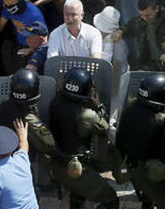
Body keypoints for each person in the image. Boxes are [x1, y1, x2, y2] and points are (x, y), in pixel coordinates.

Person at [49, 68, 120, 209]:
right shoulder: (88, 115)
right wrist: (98, 105)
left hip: (58, 163)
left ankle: (77, 198)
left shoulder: (56, 101)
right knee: (111, 199)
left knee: (81, 186)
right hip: (76, 167)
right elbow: (105, 128)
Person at [116, 74, 165, 208]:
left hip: (131, 167)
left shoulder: (130, 109)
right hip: (149, 172)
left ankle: (146, 200)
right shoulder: (159, 121)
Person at [112, 0, 165, 71]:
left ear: (156, 9)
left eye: (148, 15)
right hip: (150, 64)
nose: (145, 18)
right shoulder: (141, 21)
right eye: (142, 15)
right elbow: (131, 25)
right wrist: (120, 31)